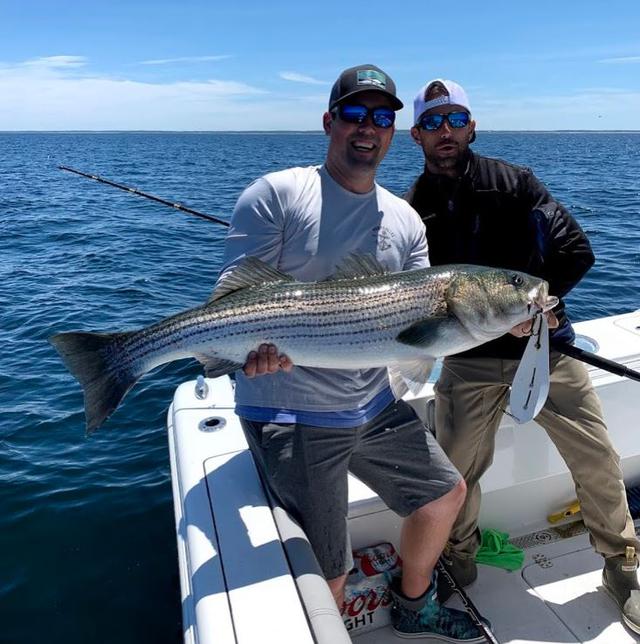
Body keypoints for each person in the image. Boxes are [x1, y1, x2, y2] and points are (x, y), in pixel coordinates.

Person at [217, 64, 486, 641]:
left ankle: (415, 606)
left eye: (382, 117)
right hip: (291, 406)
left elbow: (417, 336)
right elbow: (236, 298)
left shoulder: (406, 219)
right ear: (329, 122)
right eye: (355, 115)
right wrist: (243, 354)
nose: (369, 128)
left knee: (446, 494)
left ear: (394, 131)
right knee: (326, 569)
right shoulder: (277, 194)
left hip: (373, 403)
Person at [405, 77, 640, 633]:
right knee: (454, 470)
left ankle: (622, 565)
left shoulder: (515, 184)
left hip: (545, 347)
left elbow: (576, 250)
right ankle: (457, 557)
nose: (447, 132)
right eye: (434, 122)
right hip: (468, 359)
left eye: (456, 119)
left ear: (472, 127)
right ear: (415, 134)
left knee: (597, 456)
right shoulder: (414, 208)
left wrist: (541, 310)